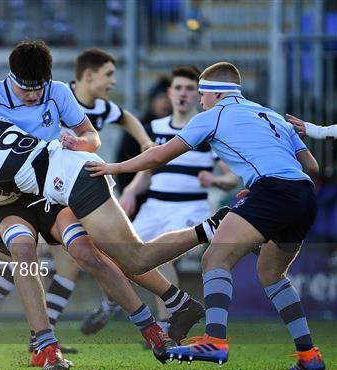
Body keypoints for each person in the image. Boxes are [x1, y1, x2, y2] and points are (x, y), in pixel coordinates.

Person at [0, 41, 205, 357]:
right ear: (10, 78)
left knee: (89, 254)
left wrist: (79, 143)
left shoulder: (57, 92)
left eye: (37, 89)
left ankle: (152, 328)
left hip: (55, 190)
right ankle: (43, 343)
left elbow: (91, 136)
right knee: (23, 249)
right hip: (12, 198)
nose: (32, 96)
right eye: (23, 89)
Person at [86, 62, 325, 370]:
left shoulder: (214, 116)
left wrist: (113, 168)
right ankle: (309, 354)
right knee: (271, 273)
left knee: (214, 260)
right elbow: (312, 167)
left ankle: (214, 340)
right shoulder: (273, 115)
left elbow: (159, 156)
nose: (200, 100)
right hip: (304, 196)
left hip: (272, 192)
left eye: (201, 94)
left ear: (214, 94)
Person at [83, 65, 238, 336]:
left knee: (160, 253)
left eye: (190, 89)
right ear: (169, 92)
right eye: (178, 88)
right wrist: (129, 192)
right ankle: (110, 303)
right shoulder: (154, 129)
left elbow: (231, 179)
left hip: (190, 209)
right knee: (111, 251)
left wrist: (214, 180)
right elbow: (146, 174)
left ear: (198, 94)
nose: (183, 94)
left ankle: (168, 324)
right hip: (154, 207)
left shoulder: (206, 129)